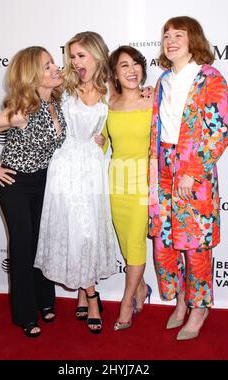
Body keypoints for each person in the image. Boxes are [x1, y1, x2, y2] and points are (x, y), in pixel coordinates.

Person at [0, 46, 67, 337]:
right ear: (32, 77)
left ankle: (45, 300)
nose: (55, 68)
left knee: (42, 243)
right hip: (17, 184)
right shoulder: (22, 111)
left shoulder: (56, 102)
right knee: (23, 247)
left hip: (44, 180)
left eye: (52, 63)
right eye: (47, 66)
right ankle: (25, 315)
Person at [148, 16, 228, 340]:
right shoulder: (163, 81)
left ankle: (199, 307)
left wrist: (193, 173)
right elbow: (157, 128)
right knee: (163, 241)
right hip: (161, 167)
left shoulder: (210, 79)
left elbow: (219, 131)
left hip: (192, 169)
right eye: (166, 35)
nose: (170, 40)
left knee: (195, 244)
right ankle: (181, 299)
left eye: (178, 35)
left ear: (193, 39)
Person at [34, 31, 117, 334]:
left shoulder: (112, 90)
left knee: (89, 232)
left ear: (97, 55)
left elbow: (115, 128)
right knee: (77, 231)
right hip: (65, 166)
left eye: (81, 55)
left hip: (93, 168)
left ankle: (84, 290)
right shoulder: (64, 87)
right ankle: (93, 296)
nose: (74, 61)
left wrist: (103, 139)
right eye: (71, 56)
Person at [102, 46, 153, 331]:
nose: (131, 70)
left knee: (134, 243)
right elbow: (107, 144)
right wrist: (100, 142)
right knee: (125, 243)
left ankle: (126, 302)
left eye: (135, 64)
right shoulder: (109, 106)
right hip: (116, 181)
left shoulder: (154, 102)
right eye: (124, 66)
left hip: (143, 183)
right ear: (115, 74)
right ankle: (142, 288)